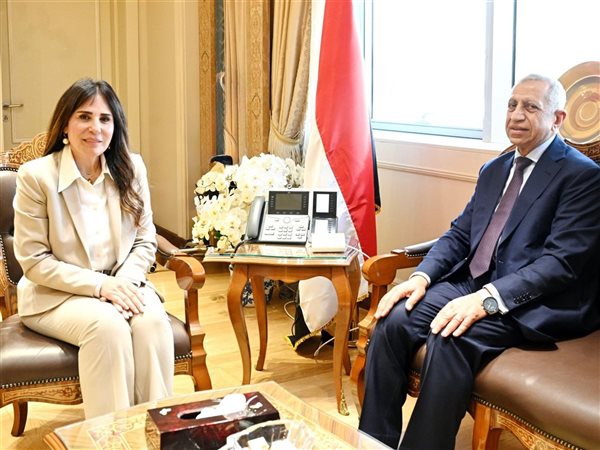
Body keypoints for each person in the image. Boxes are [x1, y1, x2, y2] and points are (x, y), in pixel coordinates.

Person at [358, 74, 600, 449]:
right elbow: (459, 235)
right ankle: (373, 443)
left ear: (557, 118)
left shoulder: (582, 176)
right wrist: (421, 278)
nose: (516, 115)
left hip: (532, 300)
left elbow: (560, 264)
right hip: (472, 281)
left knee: (450, 336)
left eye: (531, 107)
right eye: (512, 105)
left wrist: (488, 298)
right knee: (393, 321)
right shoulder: (495, 169)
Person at [13, 78, 174, 419]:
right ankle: (110, 436)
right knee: (107, 327)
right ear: (65, 125)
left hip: (123, 285)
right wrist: (102, 287)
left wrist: (123, 283)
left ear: (115, 126)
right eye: (84, 117)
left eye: (105, 119)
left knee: (153, 323)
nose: (95, 128)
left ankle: (158, 429)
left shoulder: (132, 167)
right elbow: (34, 261)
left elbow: (145, 239)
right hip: (55, 296)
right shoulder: (36, 177)